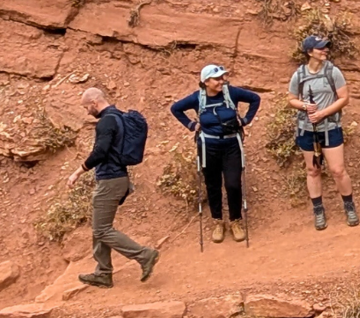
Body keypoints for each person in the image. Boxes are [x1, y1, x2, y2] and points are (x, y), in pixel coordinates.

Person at [68, 86, 157, 289]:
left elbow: (100, 152)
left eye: (86, 107)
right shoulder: (119, 116)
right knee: (100, 226)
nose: (86, 112)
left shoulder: (106, 121)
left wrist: (77, 172)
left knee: (102, 229)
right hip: (118, 178)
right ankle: (103, 272)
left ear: (94, 103)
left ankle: (144, 255)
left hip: (110, 179)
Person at [169, 65, 260, 241]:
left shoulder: (231, 93)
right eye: (217, 79)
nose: (221, 81)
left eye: (222, 78)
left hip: (232, 144)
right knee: (213, 185)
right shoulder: (198, 98)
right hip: (208, 146)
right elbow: (176, 109)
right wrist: (191, 126)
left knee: (233, 184)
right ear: (206, 82)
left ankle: (235, 220)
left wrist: (245, 120)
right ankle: (218, 221)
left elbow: (255, 99)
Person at [289, 34, 357, 230]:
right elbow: (291, 98)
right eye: (320, 48)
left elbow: (344, 98)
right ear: (310, 52)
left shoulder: (333, 72)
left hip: (330, 127)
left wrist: (323, 113)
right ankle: (318, 210)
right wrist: (304, 106)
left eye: (326, 47)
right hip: (307, 129)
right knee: (313, 170)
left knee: (338, 170)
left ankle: (349, 206)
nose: (325, 50)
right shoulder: (299, 75)